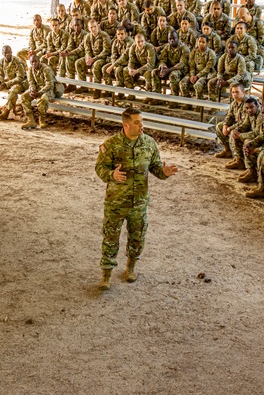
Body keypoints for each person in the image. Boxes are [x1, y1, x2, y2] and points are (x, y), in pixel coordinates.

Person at [94, 107, 178, 289]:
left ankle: (131, 268)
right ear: (126, 125)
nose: (142, 125)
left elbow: (156, 167)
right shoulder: (111, 144)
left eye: (142, 121)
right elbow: (100, 168)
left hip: (139, 202)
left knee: (138, 237)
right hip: (116, 202)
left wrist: (164, 173)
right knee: (110, 237)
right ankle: (106, 274)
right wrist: (112, 175)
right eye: (137, 122)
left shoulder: (149, 143)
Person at [0, 45, 27, 120]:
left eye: (9, 52)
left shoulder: (18, 62)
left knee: (13, 90)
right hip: (10, 81)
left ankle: (6, 112)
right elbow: (0, 74)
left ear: (11, 52)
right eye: (5, 52)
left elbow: (20, 77)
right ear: (2, 53)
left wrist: (7, 83)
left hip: (22, 83)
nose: (7, 54)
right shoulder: (1, 62)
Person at [215, 83, 249, 162]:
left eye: (237, 92)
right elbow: (229, 116)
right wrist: (225, 125)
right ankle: (227, 151)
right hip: (238, 125)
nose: (234, 94)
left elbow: (244, 122)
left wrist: (230, 128)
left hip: (246, 127)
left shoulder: (247, 103)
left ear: (243, 92)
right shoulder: (234, 103)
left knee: (234, 132)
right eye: (233, 92)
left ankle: (239, 159)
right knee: (219, 127)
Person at [152, 31, 189, 97]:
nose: (172, 40)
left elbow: (181, 64)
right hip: (168, 69)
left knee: (173, 75)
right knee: (154, 72)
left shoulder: (184, 48)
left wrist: (168, 70)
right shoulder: (167, 47)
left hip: (181, 71)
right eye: (170, 39)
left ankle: (174, 98)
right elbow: (162, 59)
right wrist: (163, 67)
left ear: (178, 38)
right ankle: (156, 96)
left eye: (174, 38)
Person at [75, 20, 111, 86]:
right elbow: (87, 50)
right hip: (92, 58)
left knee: (96, 65)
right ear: (89, 28)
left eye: (95, 26)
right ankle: (83, 85)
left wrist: (93, 59)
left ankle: (97, 87)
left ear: (97, 26)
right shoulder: (88, 36)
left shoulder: (104, 35)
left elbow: (106, 52)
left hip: (103, 58)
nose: (93, 29)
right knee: (78, 63)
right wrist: (88, 58)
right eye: (91, 27)